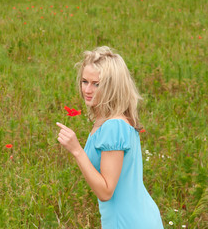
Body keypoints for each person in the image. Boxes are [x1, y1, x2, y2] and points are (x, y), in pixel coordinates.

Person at [56, 46, 164, 229]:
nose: (87, 90)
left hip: (128, 222)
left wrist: (76, 150)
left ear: (112, 86)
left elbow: (106, 191)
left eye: (96, 84)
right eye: (84, 81)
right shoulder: (110, 120)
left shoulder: (113, 126)